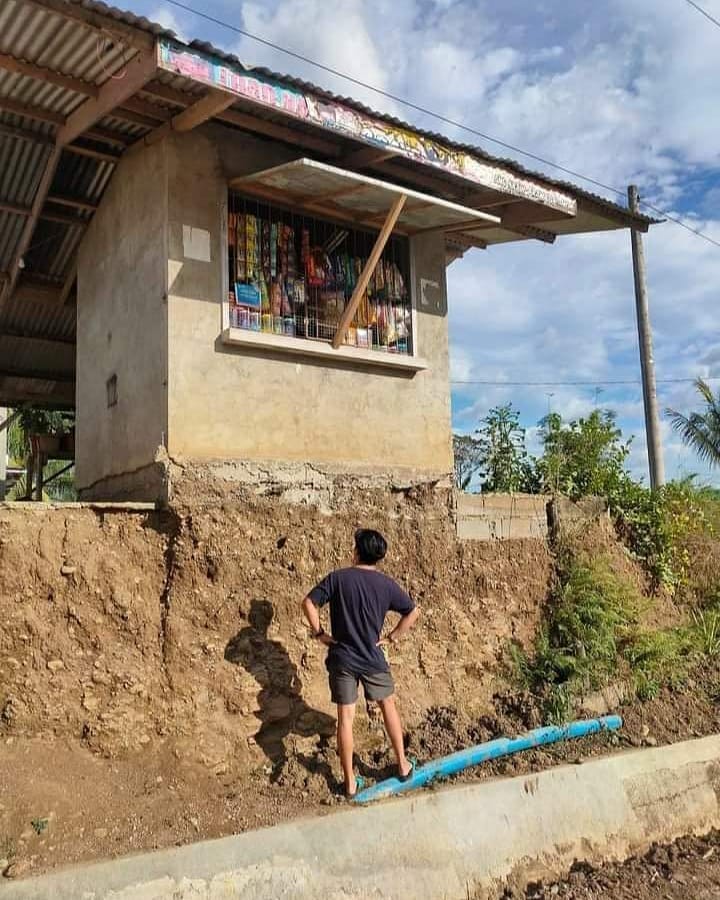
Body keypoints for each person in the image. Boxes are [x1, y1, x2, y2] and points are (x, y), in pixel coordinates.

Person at [301, 529, 420, 798]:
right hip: (372, 657)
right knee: (388, 706)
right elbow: (412, 611)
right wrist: (392, 638)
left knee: (346, 718)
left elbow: (308, 603)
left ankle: (350, 784)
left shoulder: (338, 579)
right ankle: (402, 765)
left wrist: (320, 634)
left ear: (357, 551)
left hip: (342, 657)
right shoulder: (386, 585)